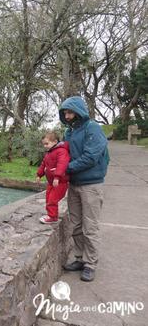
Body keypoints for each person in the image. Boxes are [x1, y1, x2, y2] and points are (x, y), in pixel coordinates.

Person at [59, 96, 108, 282]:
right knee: (76, 225)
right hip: (74, 185)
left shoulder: (93, 128)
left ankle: (90, 264)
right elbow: (64, 155)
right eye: (65, 113)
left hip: (91, 185)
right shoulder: (69, 133)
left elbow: (91, 157)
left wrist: (65, 168)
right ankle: (79, 258)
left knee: (90, 227)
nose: (67, 116)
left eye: (70, 112)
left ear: (79, 111)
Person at [36, 131, 70, 224]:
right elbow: (44, 164)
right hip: (52, 182)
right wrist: (39, 175)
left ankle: (52, 217)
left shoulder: (62, 151)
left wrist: (57, 177)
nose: (45, 146)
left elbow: (62, 165)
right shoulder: (49, 153)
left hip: (60, 182)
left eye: (47, 143)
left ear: (55, 142)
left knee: (52, 199)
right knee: (48, 198)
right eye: (44, 144)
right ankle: (51, 214)